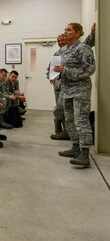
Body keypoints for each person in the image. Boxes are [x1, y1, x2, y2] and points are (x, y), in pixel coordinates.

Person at [54, 22, 96, 168]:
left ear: (77, 33)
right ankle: (75, 147)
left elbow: (89, 69)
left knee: (81, 120)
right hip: (66, 90)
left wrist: (64, 71)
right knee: (69, 120)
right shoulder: (62, 51)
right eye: (64, 29)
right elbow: (56, 70)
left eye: (69, 30)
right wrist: (53, 75)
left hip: (80, 90)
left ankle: (85, 154)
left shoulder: (83, 48)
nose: (65, 32)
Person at [49, 33, 70, 140]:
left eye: (62, 40)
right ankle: (60, 129)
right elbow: (51, 68)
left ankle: (65, 130)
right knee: (59, 108)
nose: (60, 43)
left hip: (68, 86)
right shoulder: (57, 53)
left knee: (62, 108)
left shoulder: (71, 51)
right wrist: (50, 77)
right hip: (58, 86)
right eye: (58, 41)